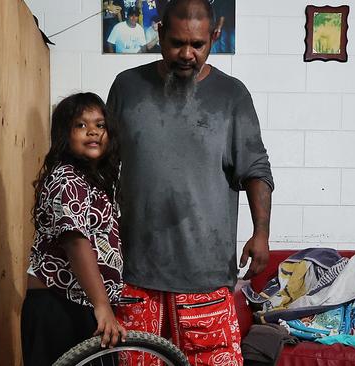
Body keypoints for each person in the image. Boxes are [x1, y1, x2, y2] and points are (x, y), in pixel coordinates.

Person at [106, 0, 274, 364]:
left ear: (214, 36)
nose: (186, 53)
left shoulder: (232, 96)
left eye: (197, 45)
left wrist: (261, 232)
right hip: (136, 272)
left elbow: (256, 168)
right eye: (176, 42)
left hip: (205, 274)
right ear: (159, 33)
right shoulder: (126, 87)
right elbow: (105, 167)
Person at [21, 93, 126, 365]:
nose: (92, 131)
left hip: (80, 302)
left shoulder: (93, 179)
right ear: (63, 134)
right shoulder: (66, 178)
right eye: (80, 125)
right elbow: (75, 242)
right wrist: (102, 306)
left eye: (100, 125)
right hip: (59, 304)